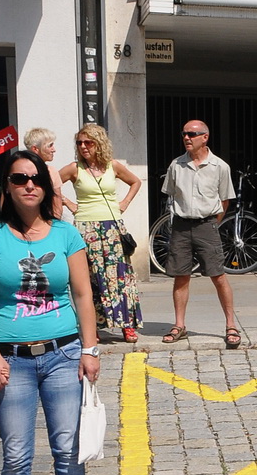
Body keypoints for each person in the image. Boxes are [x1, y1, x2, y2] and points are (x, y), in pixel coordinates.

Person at [0, 149, 101, 475]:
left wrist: (90, 349)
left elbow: (83, 295)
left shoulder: (65, 235)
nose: (29, 185)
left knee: (67, 448)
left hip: (64, 354)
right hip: (12, 359)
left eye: (36, 178)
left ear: (46, 186)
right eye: (19, 178)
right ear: (6, 187)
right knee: (15, 453)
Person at [161, 120, 243, 347]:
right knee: (181, 276)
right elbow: (170, 194)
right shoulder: (176, 165)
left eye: (192, 134)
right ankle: (179, 325)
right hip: (181, 225)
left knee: (218, 275)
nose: (187, 138)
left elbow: (224, 200)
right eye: (184, 134)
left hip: (207, 225)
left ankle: (231, 324)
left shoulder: (220, 167)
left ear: (205, 137)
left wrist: (213, 224)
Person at [60, 124, 144, 343]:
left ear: (99, 144)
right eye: (79, 143)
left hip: (112, 227)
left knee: (119, 277)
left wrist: (125, 203)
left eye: (88, 142)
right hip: (85, 228)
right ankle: (92, 327)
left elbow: (135, 182)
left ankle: (126, 325)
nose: (83, 146)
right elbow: (49, 184)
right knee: (90, 278)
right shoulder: (75, 168)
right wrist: (68, 203)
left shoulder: (112, 166)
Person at [25, 129, 78, 216]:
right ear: (35, 149)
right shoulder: (18, 170)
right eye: (50, 145)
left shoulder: (51, 171)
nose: (54, 150)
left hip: (45, 221)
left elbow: (57, 207)